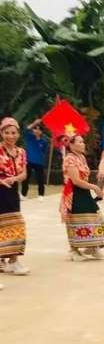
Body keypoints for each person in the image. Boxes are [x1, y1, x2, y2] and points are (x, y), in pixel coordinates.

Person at [60, 135, 104, 261]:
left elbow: (84, 178)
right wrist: (94, 187)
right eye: (80, 142)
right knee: (77, 220)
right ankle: (74, 250)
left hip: (84, 191)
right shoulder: (69, 159)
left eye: (83, 141)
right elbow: (76, 181)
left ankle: (92, 246)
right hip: (74, 193)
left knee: (94, 217)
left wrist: (93, 186)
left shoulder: (81, 157)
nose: (83, 144)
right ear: (71, 145)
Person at [0, 117, 28, 275]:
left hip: (12, 192)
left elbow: (24, 173)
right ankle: (6, 259)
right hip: (0, 191)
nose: (10, 136)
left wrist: (14, 179)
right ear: (1, 133)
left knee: (16, 225)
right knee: (2, 226)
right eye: (7, 132)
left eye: (14, 133)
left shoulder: (21, 152)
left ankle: (13, 260)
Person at [21, 119, 48, 201]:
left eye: (39, 129)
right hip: (29, 161)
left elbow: (44, 151)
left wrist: (41, 158)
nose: (37, 130)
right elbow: (25, 130)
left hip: (39, 163)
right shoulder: (29, 137)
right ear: (33, 130)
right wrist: (34, 123)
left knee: (40, 179)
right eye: (35, 128)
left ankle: (41, 195)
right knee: (26, 178)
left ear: (42, 132)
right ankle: (23, 195)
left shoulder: (44, 141)